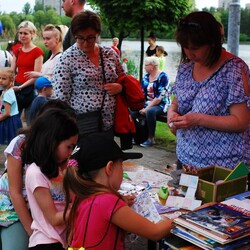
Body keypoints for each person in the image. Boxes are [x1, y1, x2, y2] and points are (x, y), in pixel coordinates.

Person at [167, 11, 250, 170]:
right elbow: (176, 103)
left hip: (224, 168)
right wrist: (172, 114)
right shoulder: (186, 68)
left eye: (195, 48)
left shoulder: (234, 70)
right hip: (186, 161)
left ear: (212, 42)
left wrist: (198, 119)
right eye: (185, 47)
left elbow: (241, 122)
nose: (189, 53)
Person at [63, 134, 173, 249]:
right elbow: (155, 232)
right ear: (109, 168)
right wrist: (183, 219)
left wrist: (121, 203)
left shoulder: (81, 192)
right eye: (121, 165)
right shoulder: (108, 202)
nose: (122, 169)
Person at [1, 100, 76, 250]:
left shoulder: (59, 152)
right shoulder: (20, 144)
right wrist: (32, 233)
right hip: (12, 207)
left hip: (40, 207)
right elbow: (15, 193)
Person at [52, 10, 125, 138]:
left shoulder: (109, 54)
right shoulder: (67, 59)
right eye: (80, 38)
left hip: (109, 124)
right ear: (74, 35)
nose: (85, 43)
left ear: (98, 34)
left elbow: (124, 79)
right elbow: (61, 100)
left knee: (107, 157)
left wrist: (120, 87)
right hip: (82, 126)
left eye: (91, 38)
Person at [22, 108, 78, 250]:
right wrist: (83, 207)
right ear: (52, 142)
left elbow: (74, 197)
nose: (71, 153)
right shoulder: (35, 173)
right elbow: (53, 218)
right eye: (69, 147)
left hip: (63, 239)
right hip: (46, 241)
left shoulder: (59, 168)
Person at [131, 56, 170, 147]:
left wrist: (146, 108)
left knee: (150, 111)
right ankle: (137, 136)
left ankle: (151, 138)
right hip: (147, 102)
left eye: (146, 65)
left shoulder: (163, 77)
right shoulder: (146, 76)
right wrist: (139, 105)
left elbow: (159, 97)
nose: (144, 67)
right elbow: (141, 92)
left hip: (161, 103)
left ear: (152, 66)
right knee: (132, 111)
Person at [11, 20, 44, 126]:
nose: (22, 35)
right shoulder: (17, 51)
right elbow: (11, 71)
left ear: (32, 34)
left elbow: (36, 75)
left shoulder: (37, 51)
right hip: (16, 88)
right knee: (14, 120)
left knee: (31, 123)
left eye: (25, 33)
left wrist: (21, 87)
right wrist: (11, 83)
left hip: (30, 90)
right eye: (20, 33)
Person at [0, 68, 22, 145]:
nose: (0, 80)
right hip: (12, 119)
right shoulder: (7, 91)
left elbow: (7, 113)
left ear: (11, 80)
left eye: (4, 79)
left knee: (10, 143)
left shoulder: (7, 94)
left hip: (10, 121)